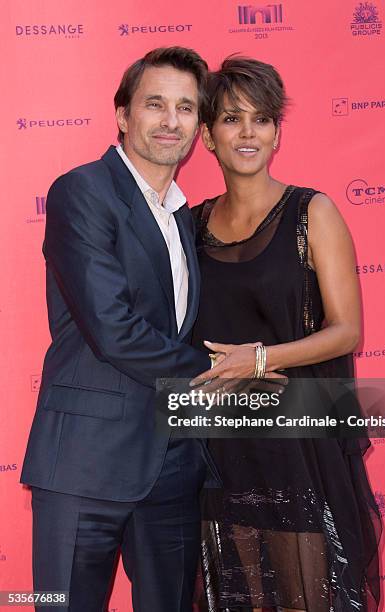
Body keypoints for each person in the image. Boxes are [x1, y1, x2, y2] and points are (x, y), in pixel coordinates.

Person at [20, 46, 228, 612]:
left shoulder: (185, 216)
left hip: (173, 465)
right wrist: (221, 371)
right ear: (122, 114)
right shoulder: (83, 191)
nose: (170, 121)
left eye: (186, 108)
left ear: (197, 125)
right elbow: (112, 329)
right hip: (85, 464)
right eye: (155, 104)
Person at [191, 57, 381, 611]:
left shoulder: (311, 211)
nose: (248, 132)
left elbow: (347, 331)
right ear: (207, 135)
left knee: (307, 598)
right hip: (221, 448)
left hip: (298, 444)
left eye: (262, 119)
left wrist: (259, 358)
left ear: (277, 132)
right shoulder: (192, 226)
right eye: (231, 119)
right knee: (239, 598)